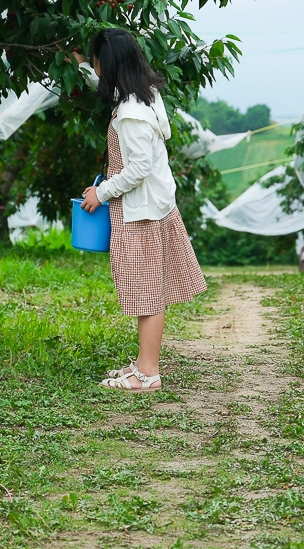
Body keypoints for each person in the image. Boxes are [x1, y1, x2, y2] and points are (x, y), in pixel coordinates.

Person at [74, 28, 207, 393]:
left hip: (141, 212)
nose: (97, 68)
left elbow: (138, 167)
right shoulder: (144, 97)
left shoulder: (130, 113)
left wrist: (102, 192)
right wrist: (80, 62)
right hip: (152, 206)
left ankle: (148, 373)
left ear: (112, 64)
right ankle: (143, 364)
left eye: (99, 62)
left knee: (147, 293)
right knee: (147, 290)